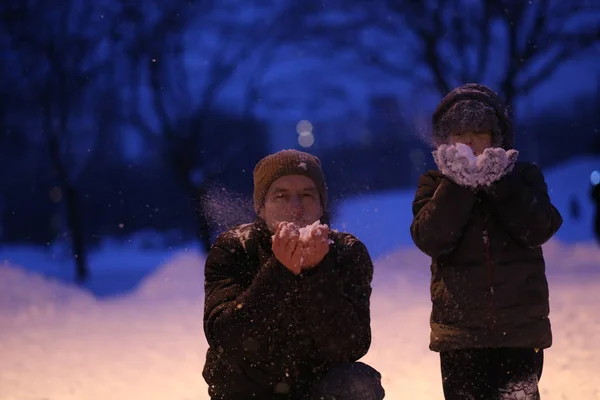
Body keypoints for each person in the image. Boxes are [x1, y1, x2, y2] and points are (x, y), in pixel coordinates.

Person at [410, 83, 563, 399]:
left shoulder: (523, 176)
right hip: (460, 335)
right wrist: (458, 185)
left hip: (520, 331)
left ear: (497, 137)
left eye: (479, 131)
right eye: (458, 132)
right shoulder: (434, 184)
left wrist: (501, 182)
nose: (468, 140)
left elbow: (538, 228)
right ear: (445, 140)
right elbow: (431, 238)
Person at [202, 149, 385, 400]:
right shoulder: (235, 248)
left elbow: (351, 346)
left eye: (307, 195)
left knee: (358, 383)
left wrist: (317, 274)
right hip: (248, 389)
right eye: (281, 196)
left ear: (321, 204)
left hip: (318, 388)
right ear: (262, 207)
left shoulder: (347, 252)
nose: (296, 207)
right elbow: (226, 339)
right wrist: (280, 271)